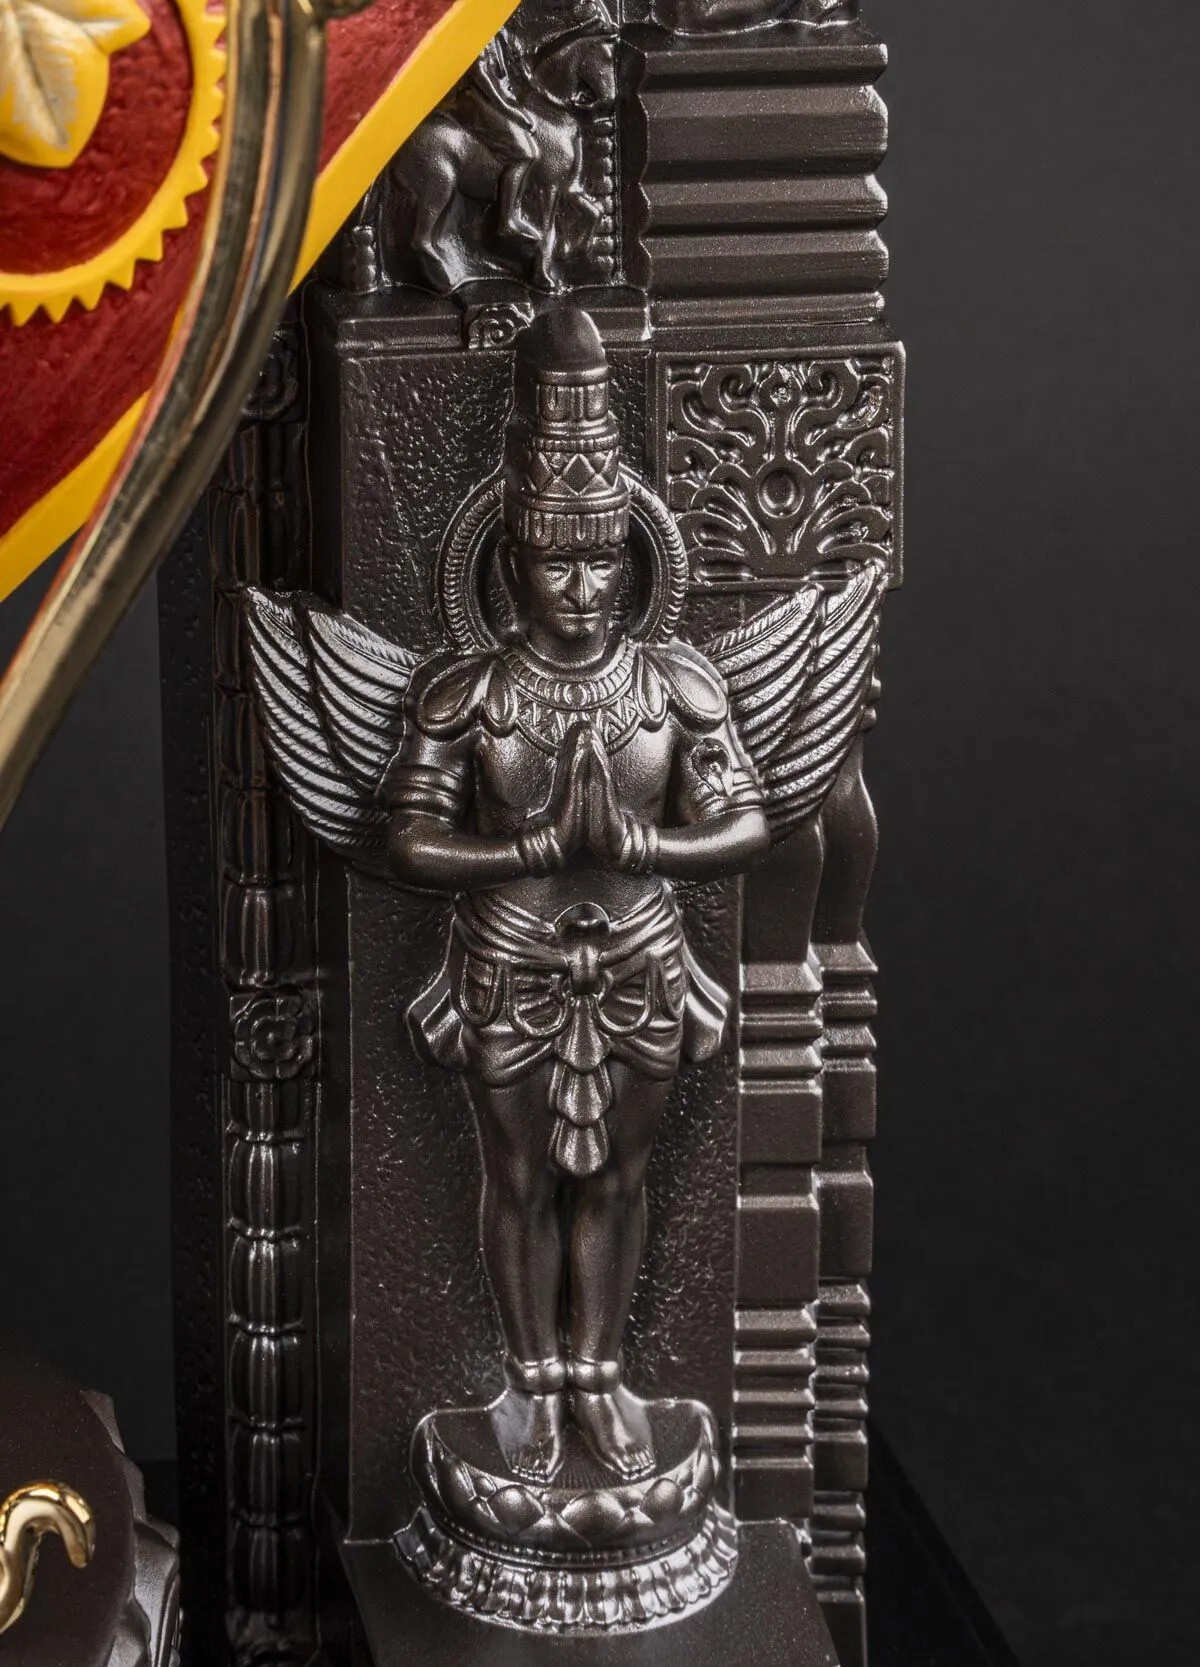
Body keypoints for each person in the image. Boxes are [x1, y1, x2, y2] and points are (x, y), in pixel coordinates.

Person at [386, 306, 770, 1483]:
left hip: (643, 960)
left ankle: (598, 1371)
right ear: (511, 562)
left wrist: (643, 844)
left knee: (615, 1175)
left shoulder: (676, 685)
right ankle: (531, 1381)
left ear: (634, 557)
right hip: (511, 966)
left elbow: (748, 820)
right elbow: (409, 836)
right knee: (517, 1177)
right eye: (559, 559)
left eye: (603, 557)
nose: (586, 584)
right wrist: (534, 843)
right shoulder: (471, 693)